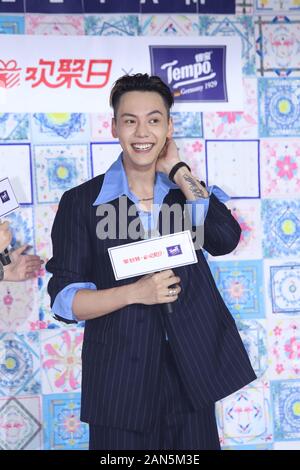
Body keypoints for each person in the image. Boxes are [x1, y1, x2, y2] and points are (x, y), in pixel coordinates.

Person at [46, 73, 256, 450]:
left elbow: (225, 239)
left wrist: (179, 171)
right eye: (130, 120)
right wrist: (135, 293)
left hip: (191, 376)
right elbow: (64, 301)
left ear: (169, 127)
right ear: (114, 127)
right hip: (118, 382)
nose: (142, 132)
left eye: (154, 119)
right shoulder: (81, 202)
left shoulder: (187, 193)